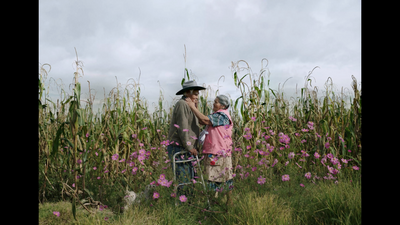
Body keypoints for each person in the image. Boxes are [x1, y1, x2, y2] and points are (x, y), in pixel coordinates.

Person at [185, 94, 234, 206]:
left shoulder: (222, 116)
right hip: (216, 151)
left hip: (218, 153)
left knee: (215, 178)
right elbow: (202, 121)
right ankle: (222, 203)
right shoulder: (217, 115)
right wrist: (196, 107)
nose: (213, 103)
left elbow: (204, 120)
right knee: (222, 177)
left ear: (222, 105)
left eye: (216, 102)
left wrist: (192, 106)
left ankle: (215, 204)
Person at [167, 80, 206, 198]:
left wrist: (195, 107)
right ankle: (183, 205)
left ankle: (190, 203)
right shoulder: (182, 104)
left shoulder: (190, 105)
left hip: (187, 147)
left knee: (191, 178)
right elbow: (183, 128)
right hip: (179, 147)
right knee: (183, 179)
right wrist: (189, 147)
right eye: (195, 92)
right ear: (188, 92)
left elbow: (200, 122)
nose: (198, 94)